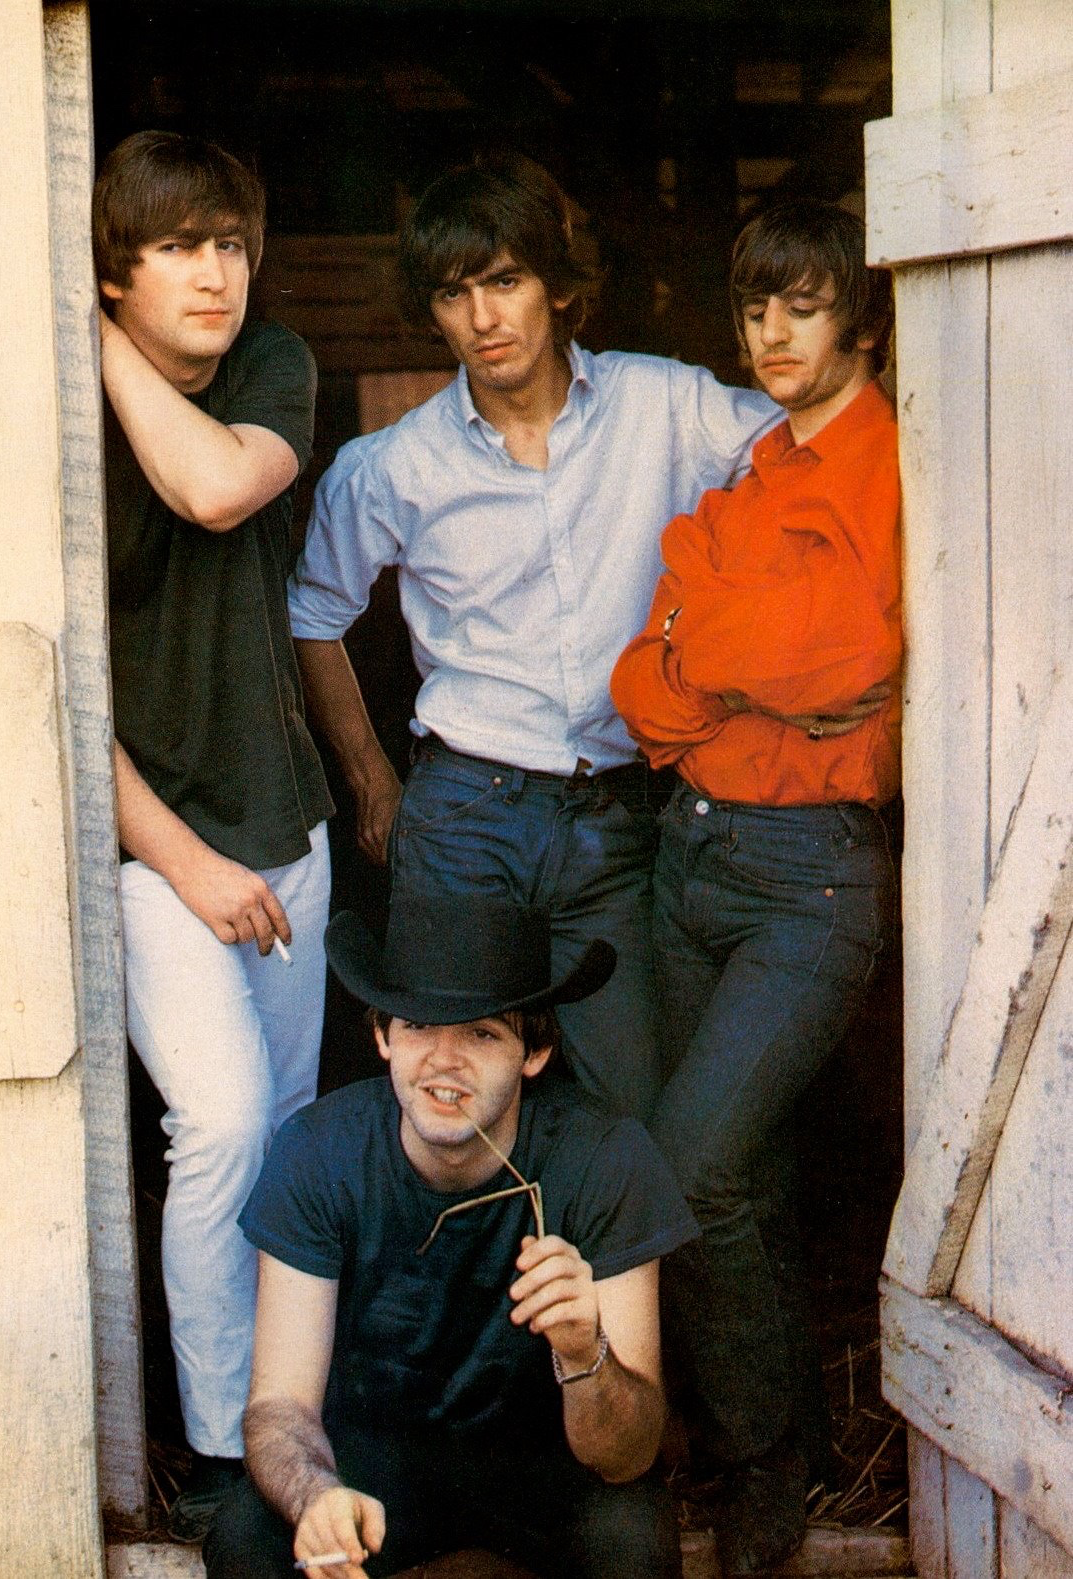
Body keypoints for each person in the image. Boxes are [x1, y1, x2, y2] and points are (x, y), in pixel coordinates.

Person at [289, 154, 778, 1124]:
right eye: (453, 292)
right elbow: (313, 616)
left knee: (629, 1108)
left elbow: (808, 449)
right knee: (453, 1109)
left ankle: (596, 1281)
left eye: (504, 280)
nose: (483, 318)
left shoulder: (665, 405)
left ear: (557, 284)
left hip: (619, 815)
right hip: (465, 810)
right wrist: (372, 780)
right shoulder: (391, 465)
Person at [611, 199, 900, 1575]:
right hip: (691, 853)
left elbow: (840, 653)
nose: (771, 332)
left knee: (693, 1157)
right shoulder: (749, 467)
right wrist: (723, 647)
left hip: (806, 880)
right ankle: (759, 1453)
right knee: (749, 1184)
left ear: (854, 310)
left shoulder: (884, 461)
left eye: (798, 303)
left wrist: (704, 637)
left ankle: (761, 1461)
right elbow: (639, 687)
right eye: (750, 311)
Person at [94, 130, 335, 1538]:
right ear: (115, 268)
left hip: (282, 828)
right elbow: (56, 682)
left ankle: (285, 1411)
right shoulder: (57, 417)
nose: (214, 272)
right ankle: (216, 1438)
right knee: (225, 1122)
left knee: (291, 1137)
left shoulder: (270, 367)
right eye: (176, 245)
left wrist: (101, 338)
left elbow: (218, 484)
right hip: (151, 843)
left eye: (229, 242)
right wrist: (186, 863)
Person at [202, 891, 696, 1579]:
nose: (442, 1061)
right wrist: (315, 1495)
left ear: (535, 1049)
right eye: (417, 1026)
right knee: (246, 1538)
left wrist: (585, 1351)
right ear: (381, 1036)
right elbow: (278, 1404)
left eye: (481, 1033)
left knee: (632, 1541)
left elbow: (628, 1452)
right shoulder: (319, 1152)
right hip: (375, 1465)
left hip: (542, 1464)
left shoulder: (604, 1158)